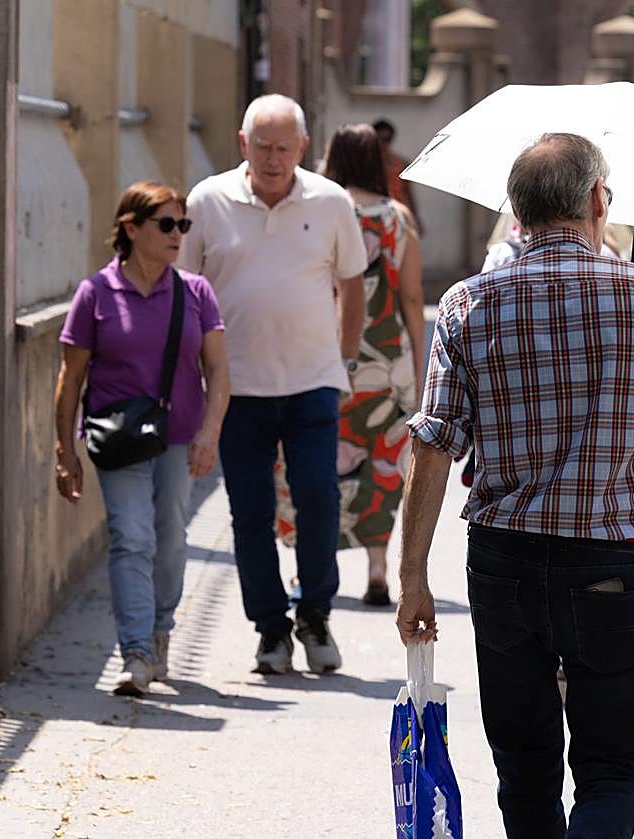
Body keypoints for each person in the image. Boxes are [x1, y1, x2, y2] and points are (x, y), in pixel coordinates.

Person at [395, 133, 634, 838]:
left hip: (503, 561)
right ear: (598, 200)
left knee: (524, 766)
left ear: (516, 211)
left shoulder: (465, 304)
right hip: (609, 564)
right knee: (612, 769)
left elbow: (433, 448)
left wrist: (413, 576)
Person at [178, 95, 368, 676]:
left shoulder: (331, 202)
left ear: (303, 149)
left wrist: (342, 357)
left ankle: (315, 614)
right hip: (234, 387)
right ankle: (270, 630)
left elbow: (353, 285)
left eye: (285, 147)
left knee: (318, 496)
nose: (273, 158)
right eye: (262, 146)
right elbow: (187, 293)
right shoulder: (208, 201)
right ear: (243, 144)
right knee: (250, 513)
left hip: (312, 381)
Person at [54, 180, 230, 697]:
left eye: (183, 224)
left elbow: (219, 370)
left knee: (170, 538)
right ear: (131, 229)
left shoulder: (195, 292)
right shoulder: (96, 294)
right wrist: (65, 451)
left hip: (178, 437)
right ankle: (135, 651)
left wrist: (210, 433)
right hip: (118, 441)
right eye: (167, 224)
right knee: (132, 537)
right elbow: (70, 381)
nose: (179, 234)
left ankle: (160, 630)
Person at [272, 123, 425, 606]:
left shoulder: (314, 213)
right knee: (383, 466)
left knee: (307, 466)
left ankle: (306, 569)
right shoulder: (397, 220)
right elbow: (414, 298)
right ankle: (378, 569)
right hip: (386, 365)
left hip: (318, 361)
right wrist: (420, 371)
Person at [373, 118, 422, 234]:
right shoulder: (367, 164)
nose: (383, 144)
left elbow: (408, 193)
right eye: (379, 140)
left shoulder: (401, 164)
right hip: (375, 216)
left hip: (398, 216)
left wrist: (416, 218)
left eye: (387, 140)